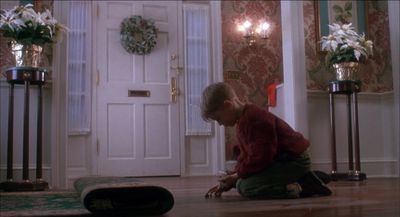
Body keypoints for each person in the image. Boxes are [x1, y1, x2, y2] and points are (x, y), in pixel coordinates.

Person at [201, 82, 332, 199]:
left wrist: (237, 177)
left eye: (218, 118)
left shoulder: (253, 119)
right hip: (281, 161)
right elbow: (246, 155)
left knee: (245, 187)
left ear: (228, 106)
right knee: (240, 181)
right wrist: (234, 175)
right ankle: (307, 178)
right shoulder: (243, 120)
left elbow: (262, 157)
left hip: (294, 160)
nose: (219, 124)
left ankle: (302, 187)